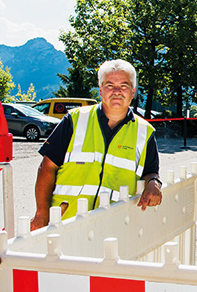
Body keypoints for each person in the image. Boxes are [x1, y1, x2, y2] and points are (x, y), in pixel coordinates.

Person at [30, 59, 163, 230]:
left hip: (113, 227)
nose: (117, 91)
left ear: (132, 91)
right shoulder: (75, 120)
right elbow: (47, 168)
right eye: (109, 85)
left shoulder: (145, 132)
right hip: (65, 224)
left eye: (123, 85)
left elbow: (151, 172)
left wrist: (154, 183)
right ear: (100, 90)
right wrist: (41, 214)